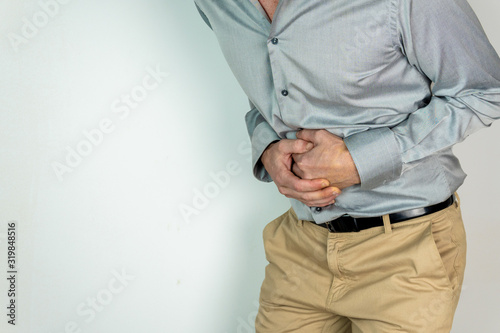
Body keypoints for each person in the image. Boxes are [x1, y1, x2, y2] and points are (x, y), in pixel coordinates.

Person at [194, 0, 500, 332]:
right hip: (300, 249)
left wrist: (361, 160)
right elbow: (267, 91)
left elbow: (485, 91)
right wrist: (267, 146)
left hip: (406, 249)